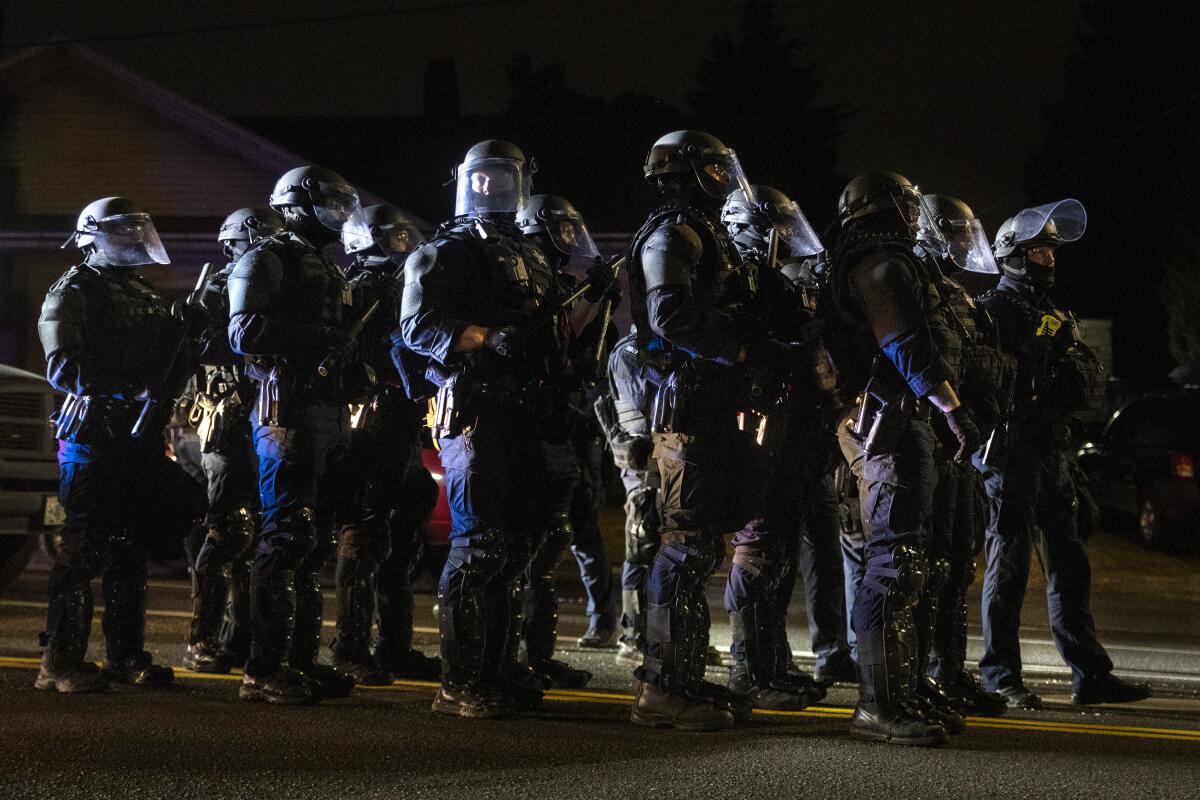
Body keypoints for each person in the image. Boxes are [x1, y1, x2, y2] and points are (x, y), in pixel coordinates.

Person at [627, 130, 801, 730]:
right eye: (716, 169)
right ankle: (660, 690)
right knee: (684, 546)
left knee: (702, 547)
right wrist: (746, 352)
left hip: (715, 404)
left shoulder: (709, 236)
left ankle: (683, 677)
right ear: (689, 173)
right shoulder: (673, 233)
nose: (727, 178)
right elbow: (669, 315)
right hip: (689, 408)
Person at [398, 140, 572, 718]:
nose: (490, 187)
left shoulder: (532, 254)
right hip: (475, 410)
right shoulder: (443, 250)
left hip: (525, 413)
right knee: (477, 547)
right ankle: (460, 681)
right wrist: (484, 337)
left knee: (514, 549)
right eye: (481, 177)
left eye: (502, 176)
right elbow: (416, 327)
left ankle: (496, 668)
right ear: (463, 181)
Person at [974, 199, 1151, 708]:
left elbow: (1081, 378)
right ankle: (1000, 676)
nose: (1048, 259)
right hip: (1010, 454)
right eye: (1038, 251)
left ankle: (1089, 673)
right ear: (1012, 255)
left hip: (1052, 452)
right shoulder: (993, 312)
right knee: (1007, 566)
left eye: (1051, 251)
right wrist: (1030, 350)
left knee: (1070, 564)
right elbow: (988, 380)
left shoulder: (1054, 312)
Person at [826, 172, 980, 746]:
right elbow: (905, 343)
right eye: (908, 205)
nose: (917, 214)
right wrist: (951, 408)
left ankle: (903, 691)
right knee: (893, 564)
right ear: (887, 210)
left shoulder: (883, 262)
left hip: (900, 424)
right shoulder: (882, 265)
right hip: (888, 428)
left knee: (910, 564)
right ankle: (879, 706)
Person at [36, 196, 205, 692]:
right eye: (122, 230)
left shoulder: (142, 294)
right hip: (92, 433)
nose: (133, 238)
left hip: (140, 432)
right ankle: (61, 661)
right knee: (82, 548)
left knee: (130, 548)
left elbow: (169, 364)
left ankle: (125, 656)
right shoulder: (74, 290)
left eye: (137, 229)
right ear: (93, 235)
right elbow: (63, 367)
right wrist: (127, 384)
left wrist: (188, 334)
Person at [228, 166, 366, 704]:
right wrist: (321, 338)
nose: (338, 212)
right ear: (298, 205)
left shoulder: (324, 265)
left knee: (311, 543)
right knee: (283, 537)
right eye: (329, 202)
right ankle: (262, 668)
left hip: (324, 412)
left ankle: (300, 662)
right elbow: (245, 333)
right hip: (286, 413)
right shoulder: (267, 257)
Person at [722, 185, 856, 690]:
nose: (784, 237)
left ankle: (770, 663)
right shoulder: (736, 281)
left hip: (792, 431)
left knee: (776, 551)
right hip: (756, 430)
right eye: (773, 227)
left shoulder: (775, 283)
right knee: (757, 548)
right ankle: (747, 667)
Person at [330, 204, 441, 684]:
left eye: (403, 237)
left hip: (405, 419)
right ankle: (350, 648)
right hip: (372, 419)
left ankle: (393, 645)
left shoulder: (411, 282)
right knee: (366, 533)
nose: (400, 246)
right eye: (392, 239)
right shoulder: (359, 289)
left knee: (405, 531)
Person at [909, 194, 1009, 717]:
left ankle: (949, 670)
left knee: (956, 564)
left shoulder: (954, 295)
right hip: (931, 436)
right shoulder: (915, 288)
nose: (963, 243)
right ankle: (924, 673)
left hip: (962, 446)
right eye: (954, 233)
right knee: (925, 564)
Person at [185, 207, 284, 673]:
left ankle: (238, 638)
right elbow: (209, 347)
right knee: (229, 530)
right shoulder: (215, 292)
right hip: (226, 423)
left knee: (263, 532)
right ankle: (200, 638)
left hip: (266, 420)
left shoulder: (277, 289)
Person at [596, 328, 661, 668]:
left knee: (666, 551)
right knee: (642, 546)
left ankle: (660, 635)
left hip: (664, 459)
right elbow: (639, 412)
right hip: (644, 463)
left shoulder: (656, 346)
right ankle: (633, 637)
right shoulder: (631, 352)